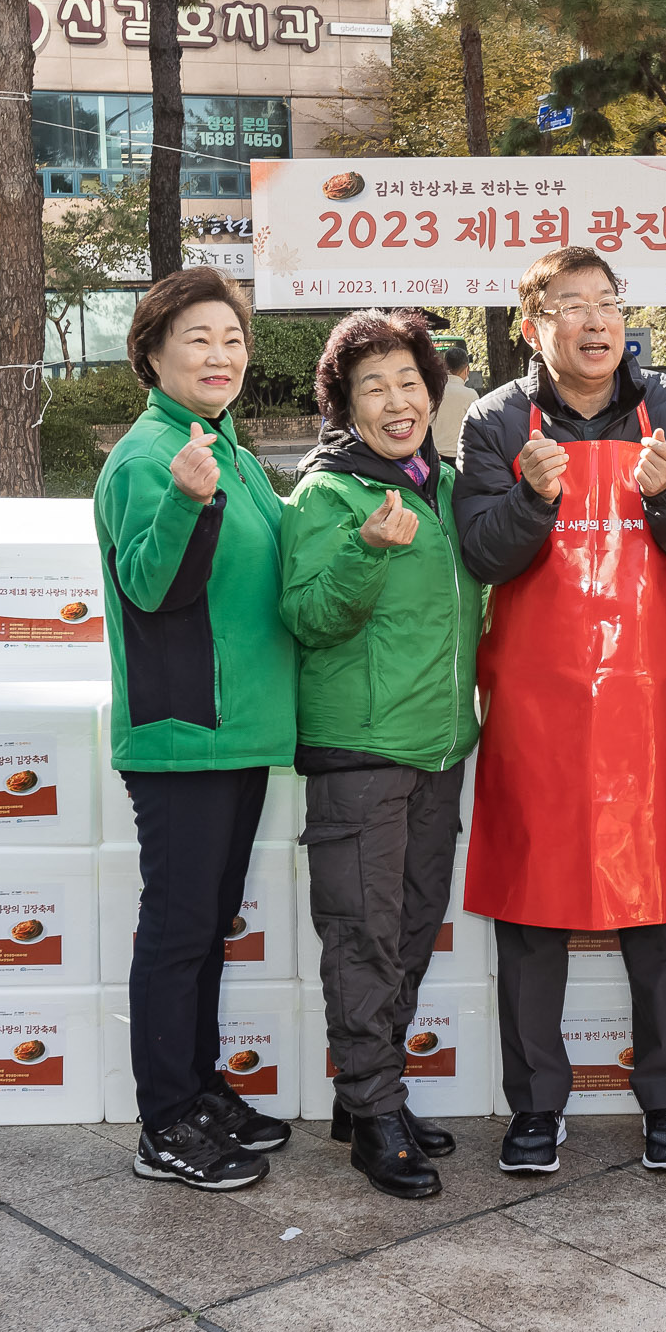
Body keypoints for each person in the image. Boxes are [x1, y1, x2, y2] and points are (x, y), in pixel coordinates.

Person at [453, 245, 666, 1175]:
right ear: (535, 326)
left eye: (607, 301)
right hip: (537, 698)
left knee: (656, 902)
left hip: (651, 700)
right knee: (532, 905)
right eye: (571, 305)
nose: (596, 320)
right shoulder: (496, 419)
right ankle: (535, 1105)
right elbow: (485, 554)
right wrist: (534, 497)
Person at [94, 266, 297, 1192]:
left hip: (240, 733)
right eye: (198, 339)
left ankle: (200, 1089)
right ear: (152, 353)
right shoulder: (152, 456)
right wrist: (183, 497)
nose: (222, 355)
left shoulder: (224, 446)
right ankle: (164, 1123)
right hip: (186, 735)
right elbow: (147, 584)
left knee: (208, 926)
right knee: (178, 932)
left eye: (233, 339)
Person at [280, 312, 485, 1201]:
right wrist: (367, 551)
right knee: (361, 935)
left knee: (407, 929)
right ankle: (376, 1113)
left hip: (439, 744)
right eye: (374, 387)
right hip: (361, 746)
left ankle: (368, 1098)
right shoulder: (328, 495)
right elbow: (309, 616)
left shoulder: (445, 484)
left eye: (409, 382)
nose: (397, 401)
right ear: (344, 403)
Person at [436, 344, 480, 467]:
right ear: (467, 369)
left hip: (434, 457)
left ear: (445, 366)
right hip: (460, 457)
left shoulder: (433, 393)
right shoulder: (471, 395)